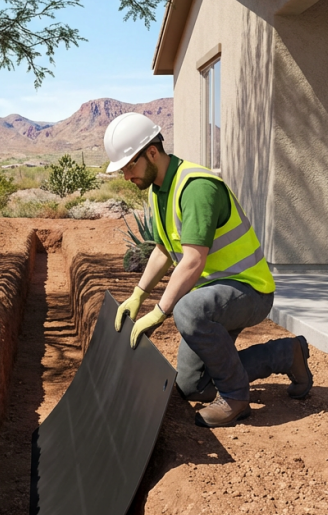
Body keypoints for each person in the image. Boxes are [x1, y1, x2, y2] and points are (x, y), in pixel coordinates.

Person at [104, 112, 313, 428]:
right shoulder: (159, 189)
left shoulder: (196, 187)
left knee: (186, 311)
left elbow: (191, 261)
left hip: (249, 289)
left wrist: (159, 312)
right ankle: (287, 354)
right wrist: (137, 295)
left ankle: (235, 398)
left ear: (151, 152)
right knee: (193, 386)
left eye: (129, 166)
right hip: (215, 295)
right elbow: (163, 248)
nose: (125, 176)